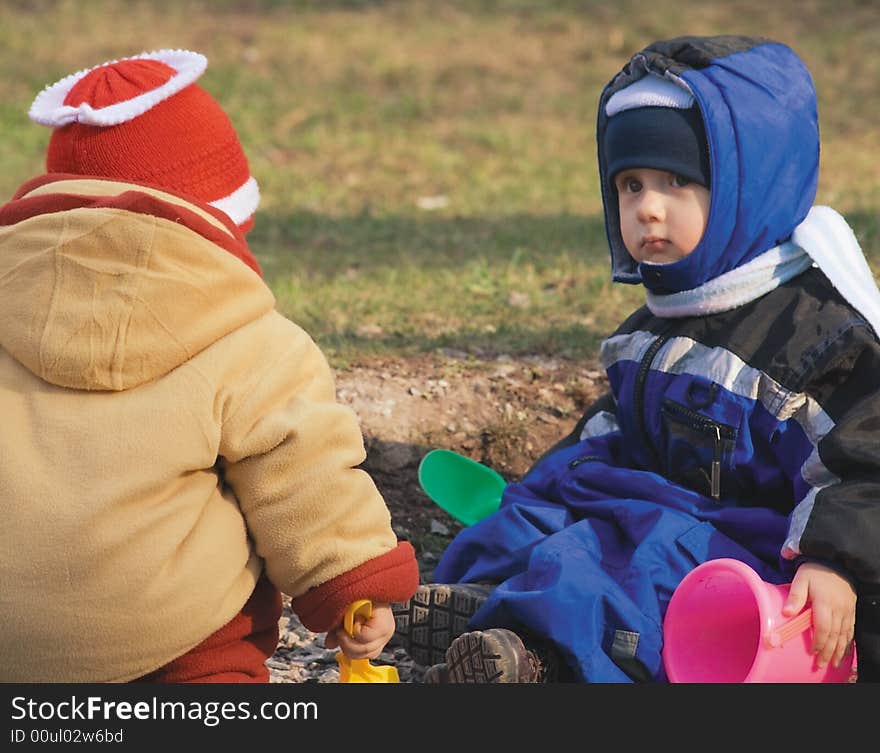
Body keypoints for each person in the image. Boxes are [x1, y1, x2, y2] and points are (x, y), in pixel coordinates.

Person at [391, 35, 880, 683]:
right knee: (547, 515)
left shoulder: (817, 336)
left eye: (676, 181)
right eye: (630, 184)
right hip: (659, 509)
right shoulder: (656, 322)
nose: (648, 206)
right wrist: (536, 490)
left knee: (637, 558)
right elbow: (617, 426)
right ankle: (489, 603)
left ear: (745, 187)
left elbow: (862, 459)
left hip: (759, 559)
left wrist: (831, 559)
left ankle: (542, 659)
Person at [0, 49, 418, 683]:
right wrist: (352, 586)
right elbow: (305, 477)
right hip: (170, 643)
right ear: (217, 222)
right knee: (220, 650)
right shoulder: (250, 338)